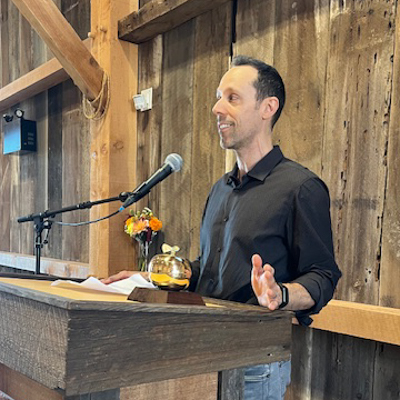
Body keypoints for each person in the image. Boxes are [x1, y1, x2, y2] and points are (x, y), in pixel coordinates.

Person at [102, 56, 342, 400]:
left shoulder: (301, 187)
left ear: (267, 107)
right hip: (203, 351)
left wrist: (281, 294)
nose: (216, 108)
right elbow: (210, 272)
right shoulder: (220, 189)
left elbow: (323, 276)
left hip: (255, 364)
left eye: (232, 97)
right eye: (218, 97)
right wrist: (149, 278)